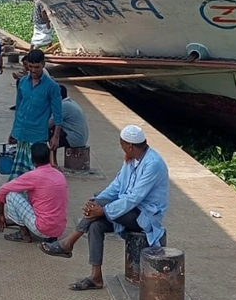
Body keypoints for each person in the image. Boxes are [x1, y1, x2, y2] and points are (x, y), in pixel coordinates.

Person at [41, 125, 170, 291]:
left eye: (122, 144)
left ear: (130, 145)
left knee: (100, 210)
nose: (121, 147)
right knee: (96, 226)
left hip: (145, 215)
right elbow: (116, 186)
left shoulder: (153, 164)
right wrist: (97, 200)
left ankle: (69, 242)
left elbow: (134, 198)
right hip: (128, 211)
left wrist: (101, 209)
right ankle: (96, 276)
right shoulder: (132, 159)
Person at [0, 143, 68, 243]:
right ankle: (22, 223)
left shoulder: (34, 176)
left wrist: (0, 213)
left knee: (11, 195)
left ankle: (24, 234)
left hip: (42, 228)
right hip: (58, 229)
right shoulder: (59, 175)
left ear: (32, 160)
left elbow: (3, 190)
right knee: (37, 196)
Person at [9, 49, 61, 180]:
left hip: (38, 136)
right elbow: (19, 107)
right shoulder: (22, 82)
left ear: (43, 65)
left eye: (37, 67)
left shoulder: (52, 87)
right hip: (22, 133)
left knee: (37, 175)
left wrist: (55, 136)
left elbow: (58, 114)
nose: (33, 70)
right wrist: (14, 130)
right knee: (19, 175)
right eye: (30, 67)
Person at [49, 84, 89, 153]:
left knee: (46, 135)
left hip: (75, 139)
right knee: (54, 130)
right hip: (79, 137)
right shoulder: (70, 102)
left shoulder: (63, 106)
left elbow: (49, 124)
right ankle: (53, 160)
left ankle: (50, 160)